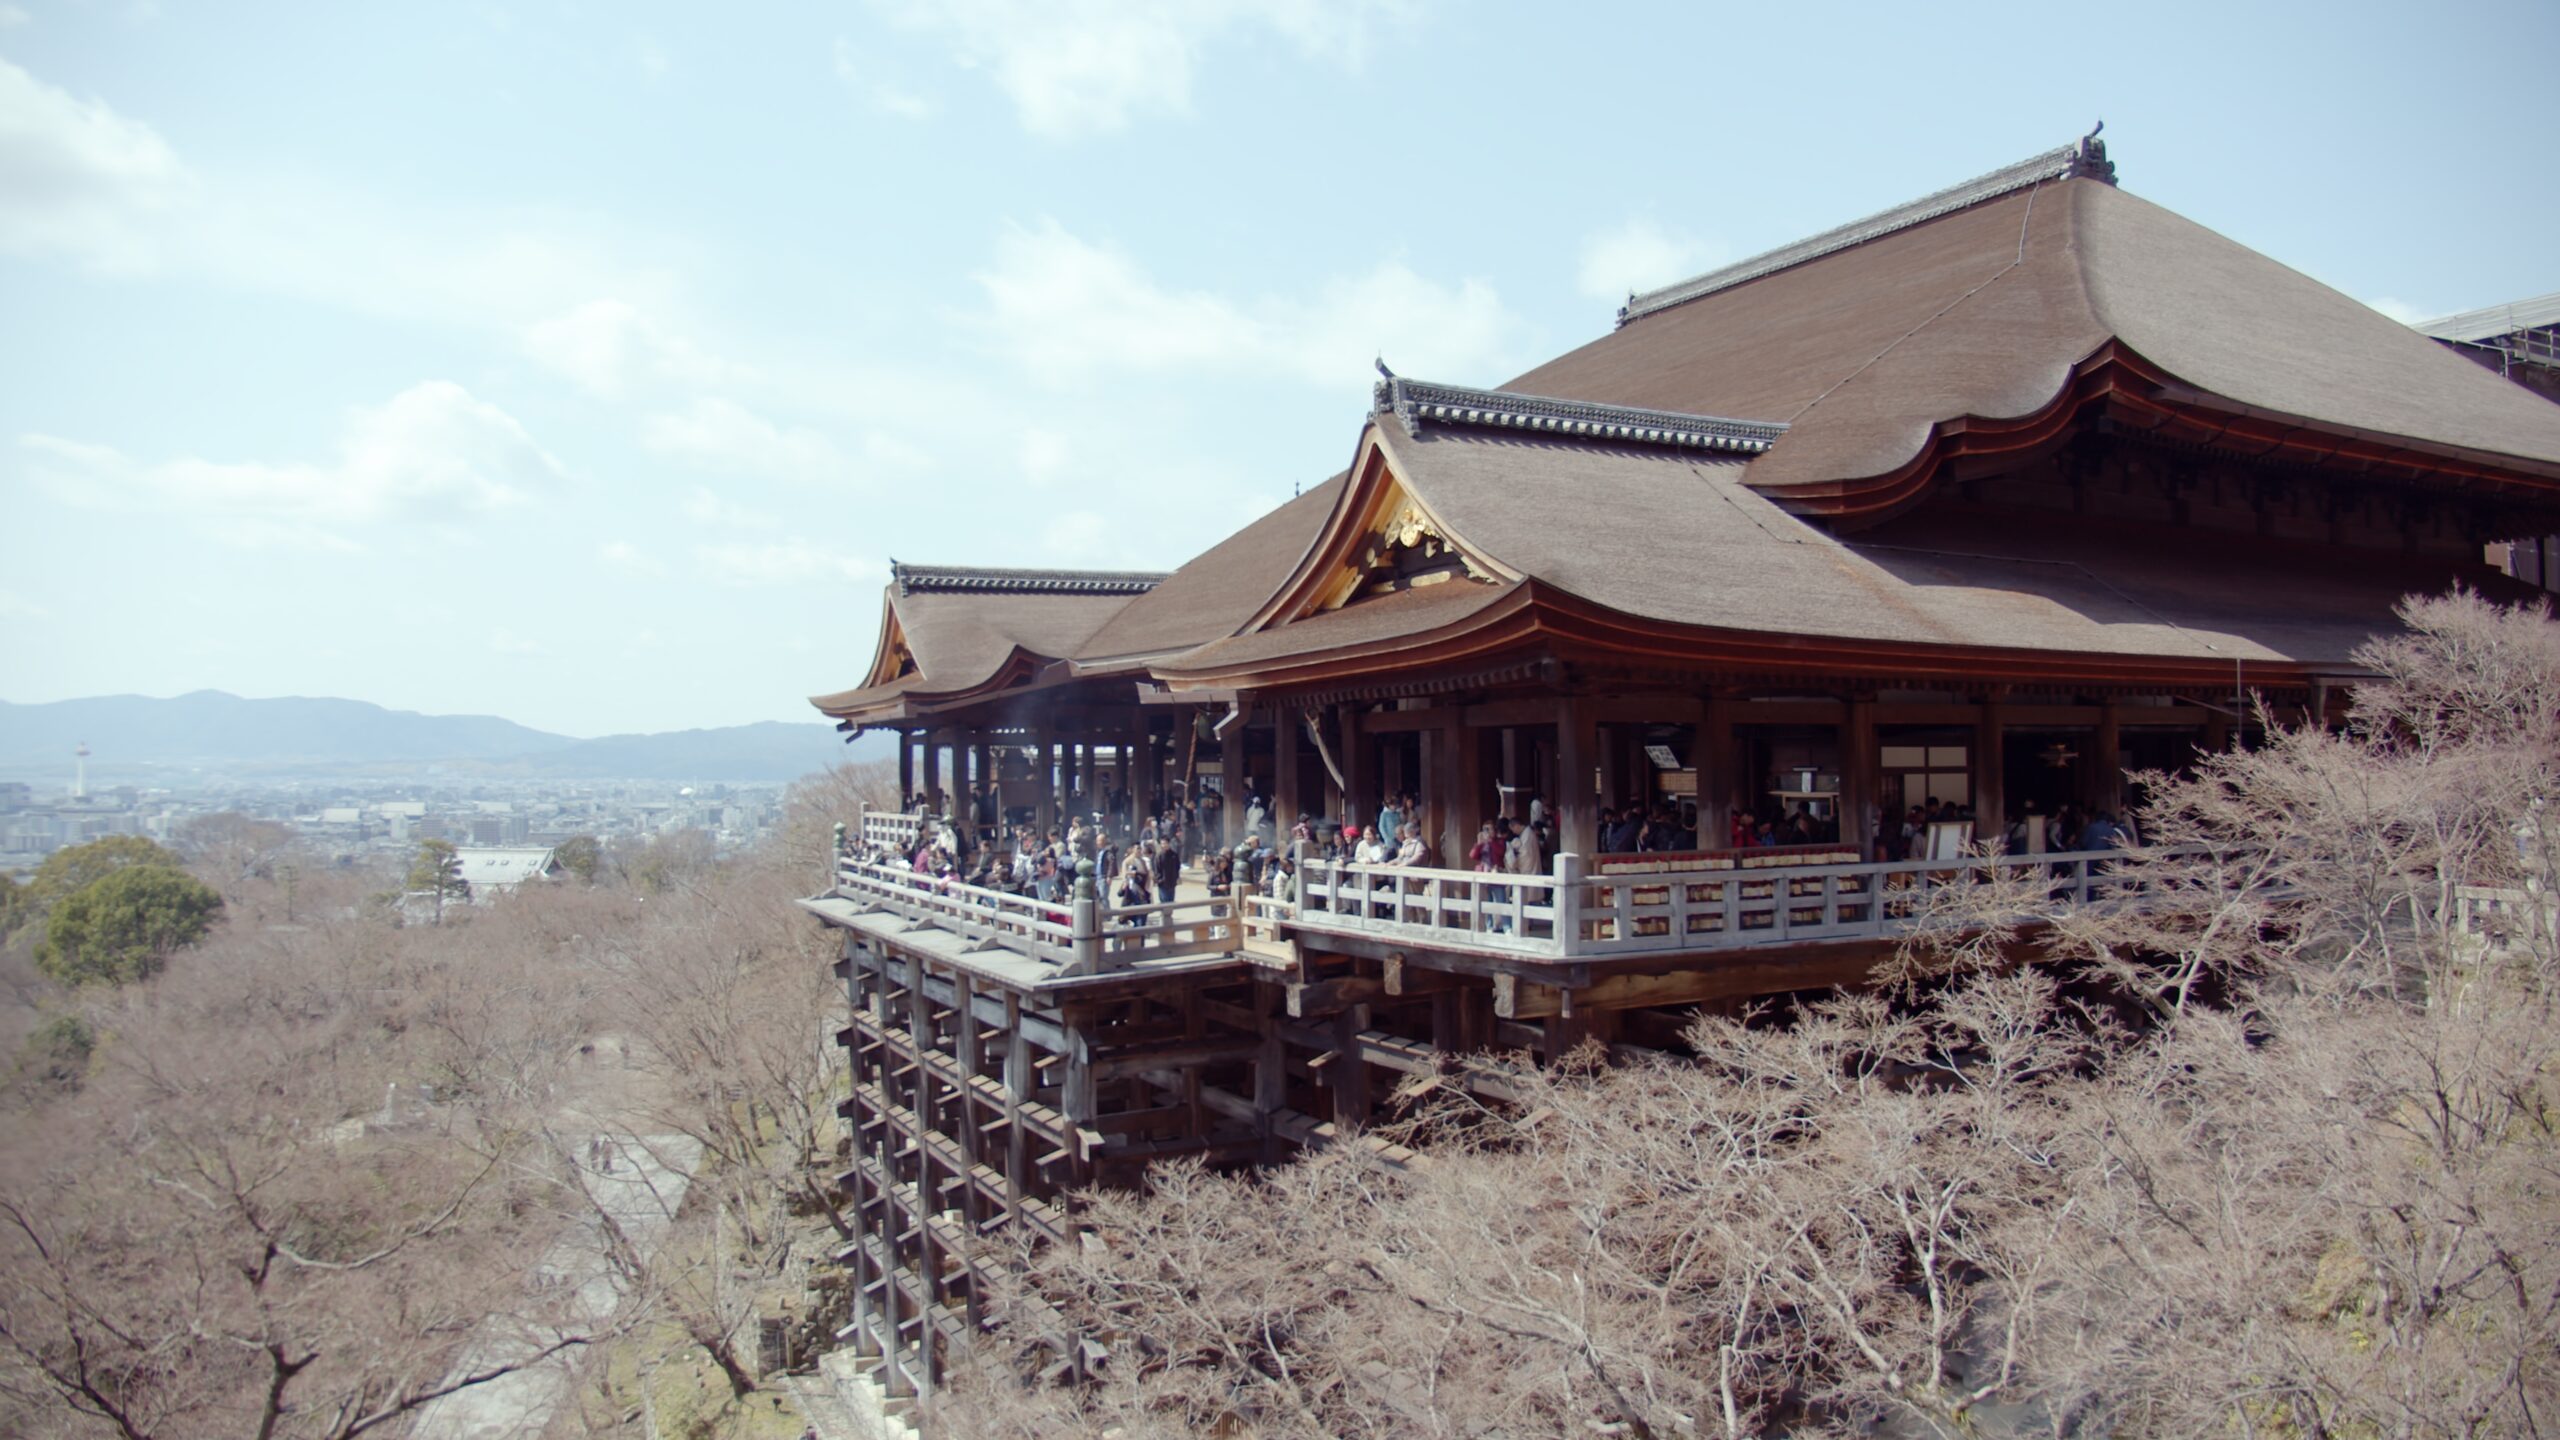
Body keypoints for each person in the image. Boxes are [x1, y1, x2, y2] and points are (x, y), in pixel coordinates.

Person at [1152, 836, 1182, 905]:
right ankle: (1164, 915)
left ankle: (1169, 915)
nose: (1163, 845)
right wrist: (1159, 880)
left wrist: (1176, 878)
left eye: (1165, 843)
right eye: (1162, 844)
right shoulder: (1159, 856)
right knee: (1164, 901)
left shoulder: (1174, 855)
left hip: (1172, 882)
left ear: (1169, 844)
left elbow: (1177, 867)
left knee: (1171, 901)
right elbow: (1156, 869)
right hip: (1162, 883)